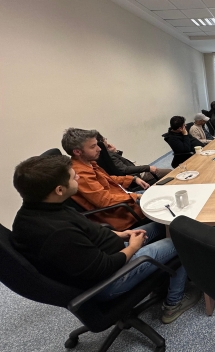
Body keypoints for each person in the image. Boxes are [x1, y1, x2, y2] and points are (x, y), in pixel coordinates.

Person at [11, 155, 202, 324]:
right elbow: (104, 268)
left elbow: (87, 231)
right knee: (183, 240)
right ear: (59, 190)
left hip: (110, 250)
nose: (78, 178)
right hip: (110, 279)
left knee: (164, 225)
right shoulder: (57, 234)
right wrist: (133, 247)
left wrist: (121, 234)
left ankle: (163, 279)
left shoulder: (42, 207)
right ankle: (174, 303)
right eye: (73, 177)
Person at [61, 128, 149, 231]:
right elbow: (104, 201)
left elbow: (107, 179)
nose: (99, 149)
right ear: (77, 152)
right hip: (121, 214)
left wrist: (132, 179)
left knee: (156, 193)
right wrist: (134, 196)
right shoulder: (81, 174)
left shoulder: (88, 163)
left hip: (124, 200)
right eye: (93, 146)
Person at [96, 133, 171, 185]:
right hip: (138, 174)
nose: (106, 140)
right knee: (170, 172)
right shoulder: (109, 155)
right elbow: (125, 169)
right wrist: (148, 168)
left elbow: (119, 163)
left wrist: (115, 151)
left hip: (136, 172)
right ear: (101, 142)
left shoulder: (105, 155)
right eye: (104, 139)